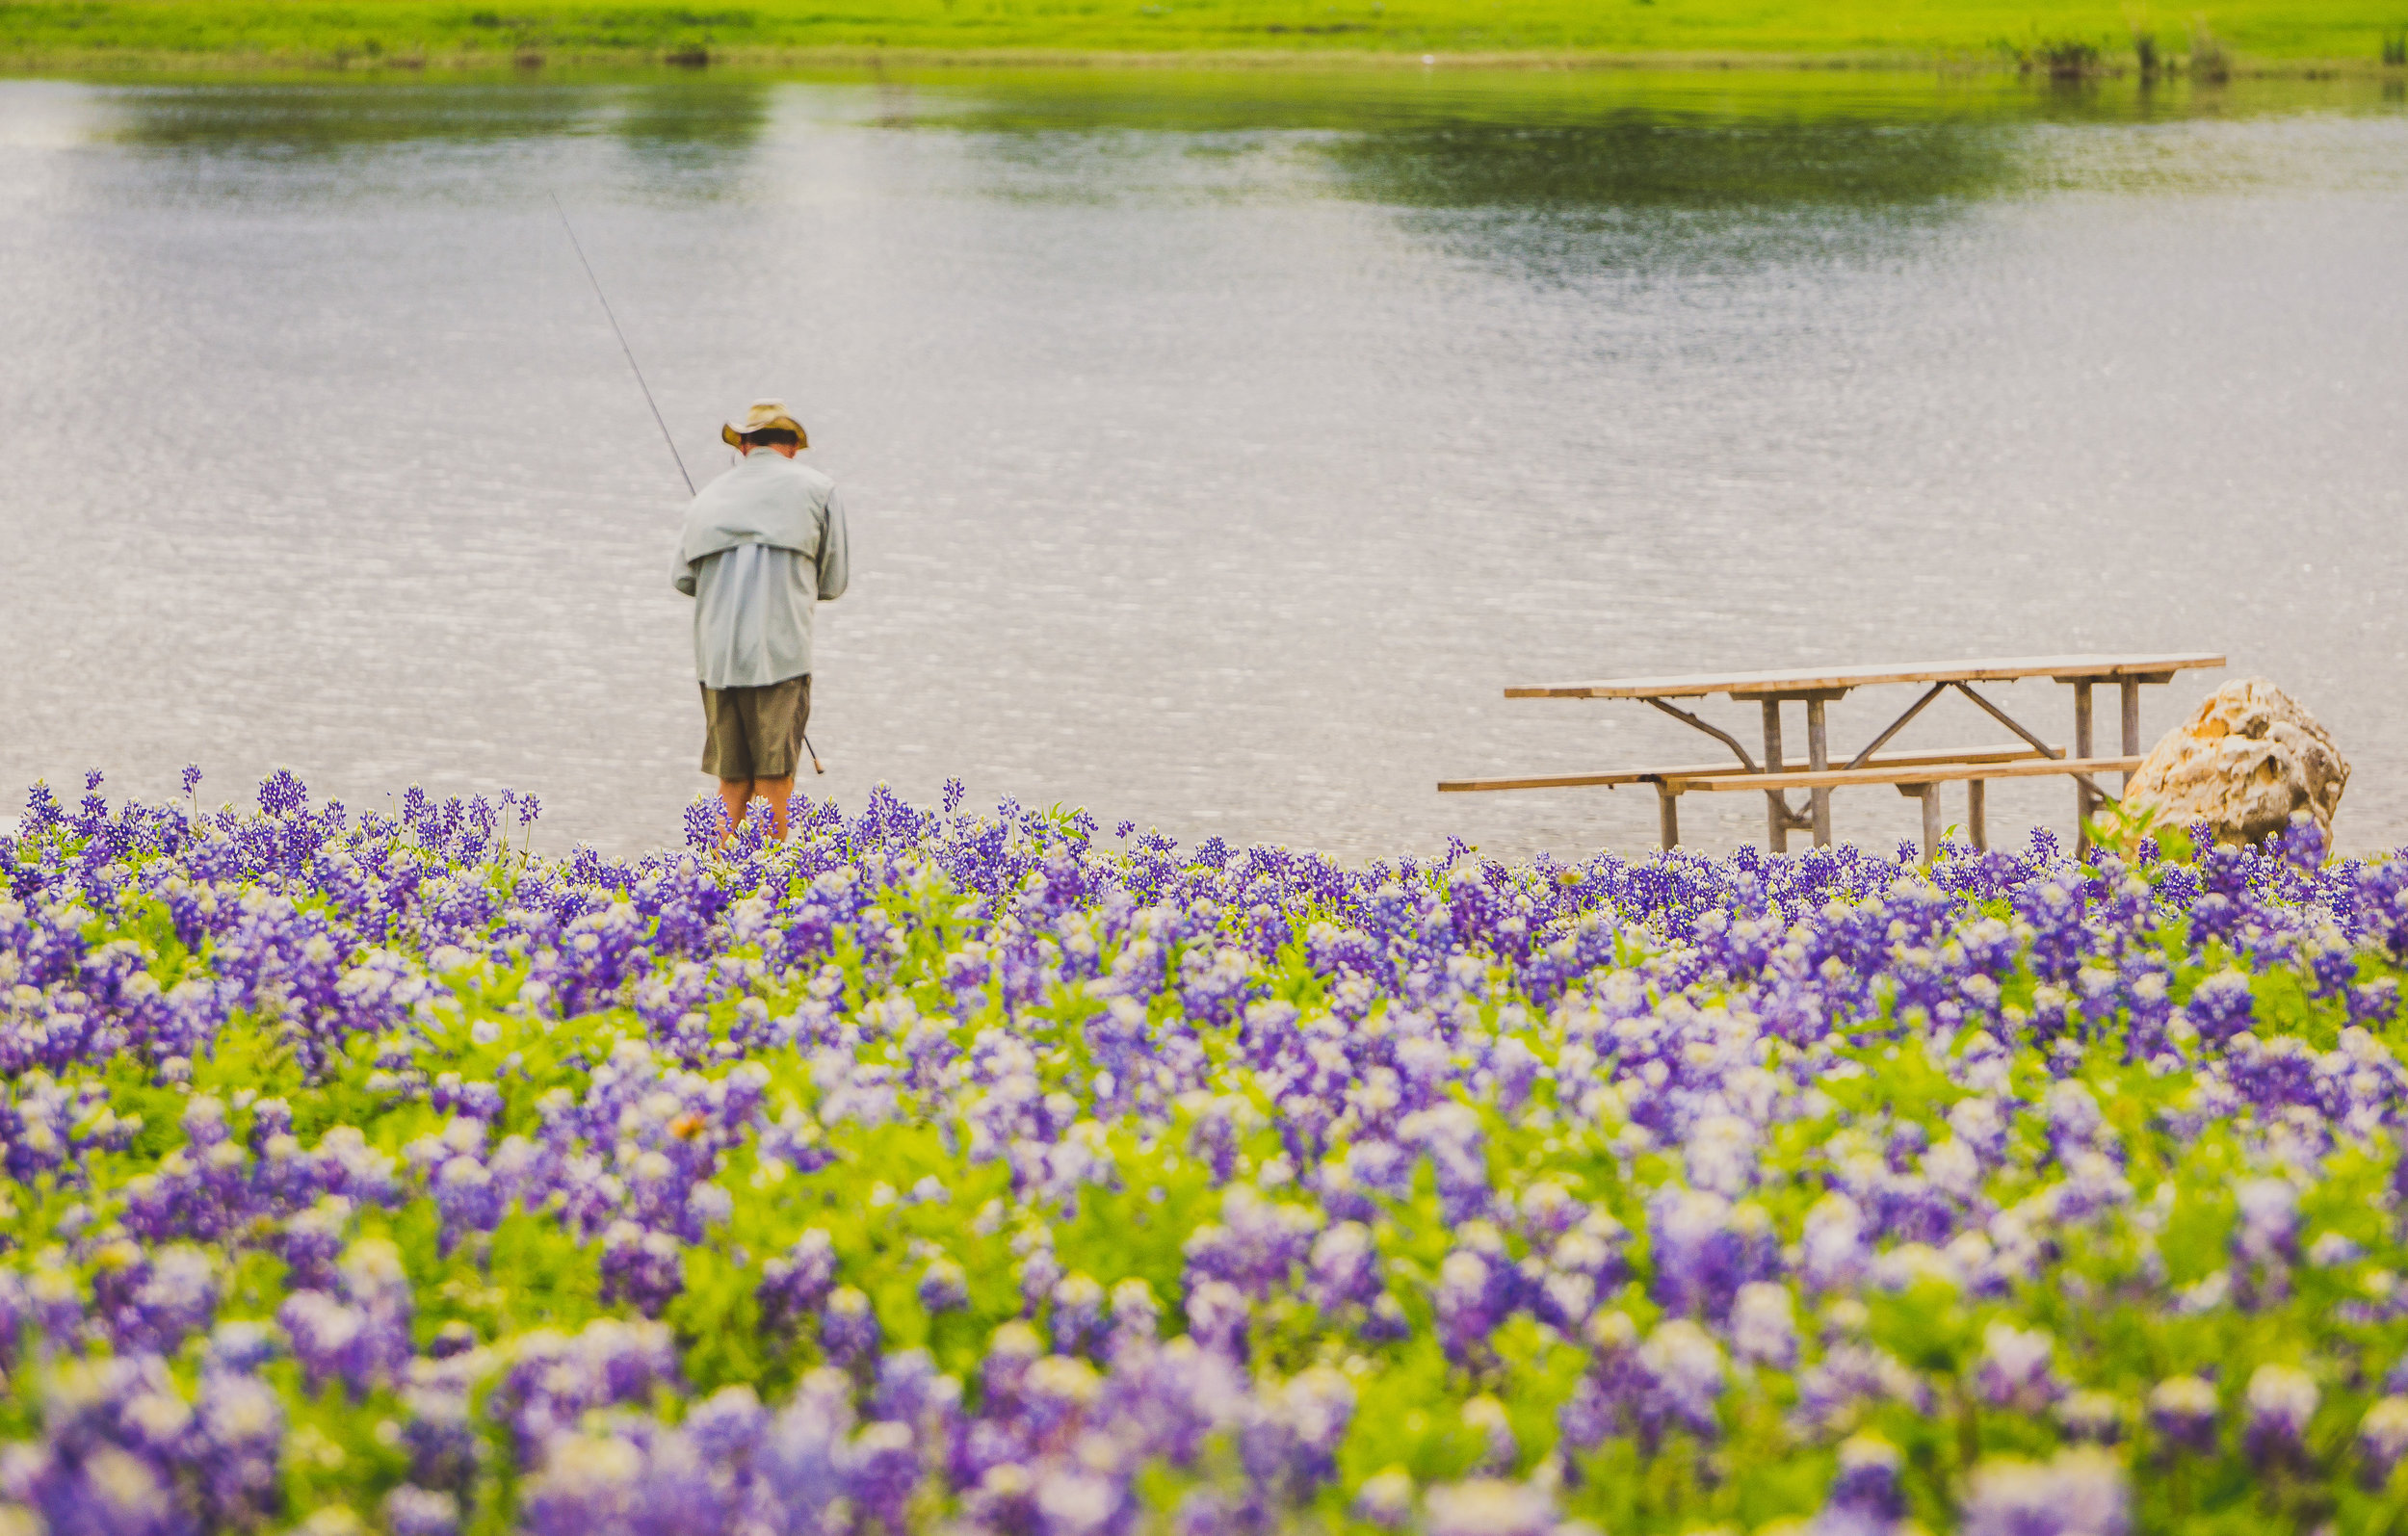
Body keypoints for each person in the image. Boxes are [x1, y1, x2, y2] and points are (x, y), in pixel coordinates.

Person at [672, 398, 850, 841]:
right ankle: (769, 892)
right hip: (780, 657)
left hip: (717, 662)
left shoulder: (707, 498)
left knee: (731, 783)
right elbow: (833, 583)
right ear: (791, 444)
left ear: (745, 444)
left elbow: (683, 580)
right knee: (775, 782)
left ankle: (718, 892)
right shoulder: (820, 490)